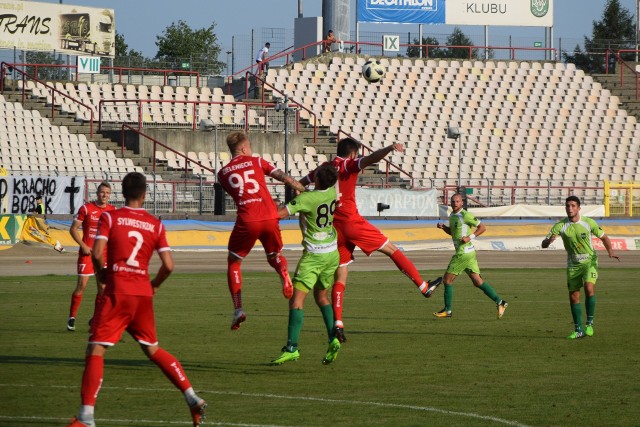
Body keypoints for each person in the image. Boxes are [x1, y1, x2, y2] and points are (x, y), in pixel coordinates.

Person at [66, 172, 207, 427]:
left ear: (121, 192)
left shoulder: (110, 216)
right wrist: (154, 285)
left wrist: (103, 275)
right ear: (145, 195)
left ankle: (86, 416)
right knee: (153, 349)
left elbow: (98, 253)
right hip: (142, 294)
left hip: (118, 291)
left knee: (95, 349)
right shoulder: (156, 224)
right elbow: (169, 265)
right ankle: (191, 396)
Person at [300, 137, 442, 343]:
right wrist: (390, 148)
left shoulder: (324, 168)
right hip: (352, 222)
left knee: (340, 277)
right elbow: (370, 159)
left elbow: (301, 183)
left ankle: (338, 323)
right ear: (352, 154)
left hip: (335, 228)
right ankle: (423, 286)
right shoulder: (349, 165)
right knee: (391, 249)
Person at [218, 131, 306, 330]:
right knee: (274, 254)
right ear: (243, 148)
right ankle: (283, 274)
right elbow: (283, 178)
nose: (251, 149)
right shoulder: (257, 161)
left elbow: (238, 192)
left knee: (234, 261)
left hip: (248, 219)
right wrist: (302, 188)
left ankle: (238, 309)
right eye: (249, 146)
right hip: (270, 215)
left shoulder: (223, 174)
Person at [271, 163, 341, 365]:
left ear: (317, 179)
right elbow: (313, 196)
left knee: (296, 301)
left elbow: (279, 214)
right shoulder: (331, 194)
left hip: (314, 256)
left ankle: (292, 347)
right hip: (331, 253)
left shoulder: (306, 199)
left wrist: (272, 204)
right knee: (321, 297)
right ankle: (333, 337)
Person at [541, 195, 620, 339]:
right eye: (567, 206)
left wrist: (610, 252)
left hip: (590, 261)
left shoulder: (588, 223)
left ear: (578, 208)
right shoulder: (560, 225)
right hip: (573, 264)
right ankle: (578, 329)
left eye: (572, 206)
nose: (569, 208)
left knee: (589, 288)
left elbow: (604, 237)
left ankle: (589, 323)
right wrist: (549, 241)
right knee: (573, 296)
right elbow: (543, 244)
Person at [434, 193, 508, 319]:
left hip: (463, 253)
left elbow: (482, 227)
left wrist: (470, 237)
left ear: (462, 203)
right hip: (469, 254)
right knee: (478, 282)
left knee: (447, 280)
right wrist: (444, 228)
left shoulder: (465, 215)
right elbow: (453, 232)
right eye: (453, 201)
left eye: (457, 201)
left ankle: (448, 310)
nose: (454, 203)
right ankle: (500, 302)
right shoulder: (452, 215)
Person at [66, 182, 115, 331]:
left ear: (110, 194)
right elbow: (73, 229)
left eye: (107, 193)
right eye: (102, 192)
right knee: (82, 286)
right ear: (97, 193)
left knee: (102, 288)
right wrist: (83, 245)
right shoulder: (86, 209)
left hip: (103, 255)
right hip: (87, 254)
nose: (104, 195)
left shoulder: (112, 211)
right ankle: (72, 317)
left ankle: (95, 320)